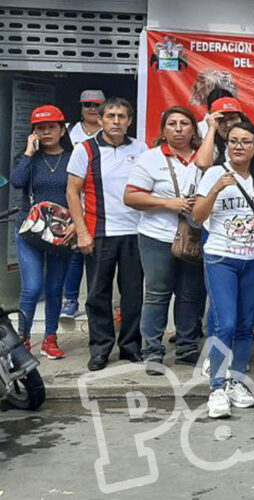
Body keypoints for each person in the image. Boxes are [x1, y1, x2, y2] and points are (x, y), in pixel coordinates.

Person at [193, 122, 254, 419]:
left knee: (246, 325)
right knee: (227, 323)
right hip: (221, 257)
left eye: (246, 142)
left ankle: (235, 381)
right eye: (233, 141)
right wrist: (216, 188)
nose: (238, 146)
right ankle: (217, 387)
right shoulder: (212, 173)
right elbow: (197, 216)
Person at [66, 97, 148, 371]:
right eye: (110, 116)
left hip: (136, 232)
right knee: (97, 294)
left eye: (122, 116)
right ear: (99, 120)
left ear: (129, 121)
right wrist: (81, 232)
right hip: (99, 232)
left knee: (133, 294)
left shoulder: (141, 148)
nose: (116, 121)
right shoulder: (84, 150)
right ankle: (100, 348)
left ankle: (131, 346)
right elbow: (72, 192)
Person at [124, 106, 206, 374]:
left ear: (194, 129)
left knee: (190, 295)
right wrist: (169, 203)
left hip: (194, 236)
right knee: (157, 294)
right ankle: (153, 352)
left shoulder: (205, 158)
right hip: (157, 236)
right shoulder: (150, 158)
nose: (179, 128)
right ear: (164, 129)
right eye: (172, 124)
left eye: (185, 123)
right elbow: (131, 197)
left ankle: (186, 348)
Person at [10, 105, 75, 358]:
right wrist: (28, 151)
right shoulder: (27, 159)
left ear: (62, 129)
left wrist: (76, 226)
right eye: (40, 128)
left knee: (55, 287)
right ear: (33, 132)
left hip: (62, 232)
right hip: (29, 230)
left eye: (51, 127)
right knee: (32, 287)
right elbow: (16, 182)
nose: (46, 132)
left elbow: (82, 193)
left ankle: (50, 339)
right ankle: (23, 341)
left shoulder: (73, 157)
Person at [61, 89, 105, 319]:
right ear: (80, 106)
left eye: (97, 104)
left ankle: (98, 303)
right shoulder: (68, 130)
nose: (92, 108)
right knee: (75, 252)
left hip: (102, 202)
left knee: (99, 257)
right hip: (75, 198)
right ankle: (70, 299)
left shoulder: (111, 131)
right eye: (87, 104)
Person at [195, 96, 250, 168]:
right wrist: (212, 128)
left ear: (242, 119)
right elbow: (203, 164)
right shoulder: (212, 146)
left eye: (232, 118)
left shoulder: (252, 143)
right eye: (222, 120)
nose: (228, 124)